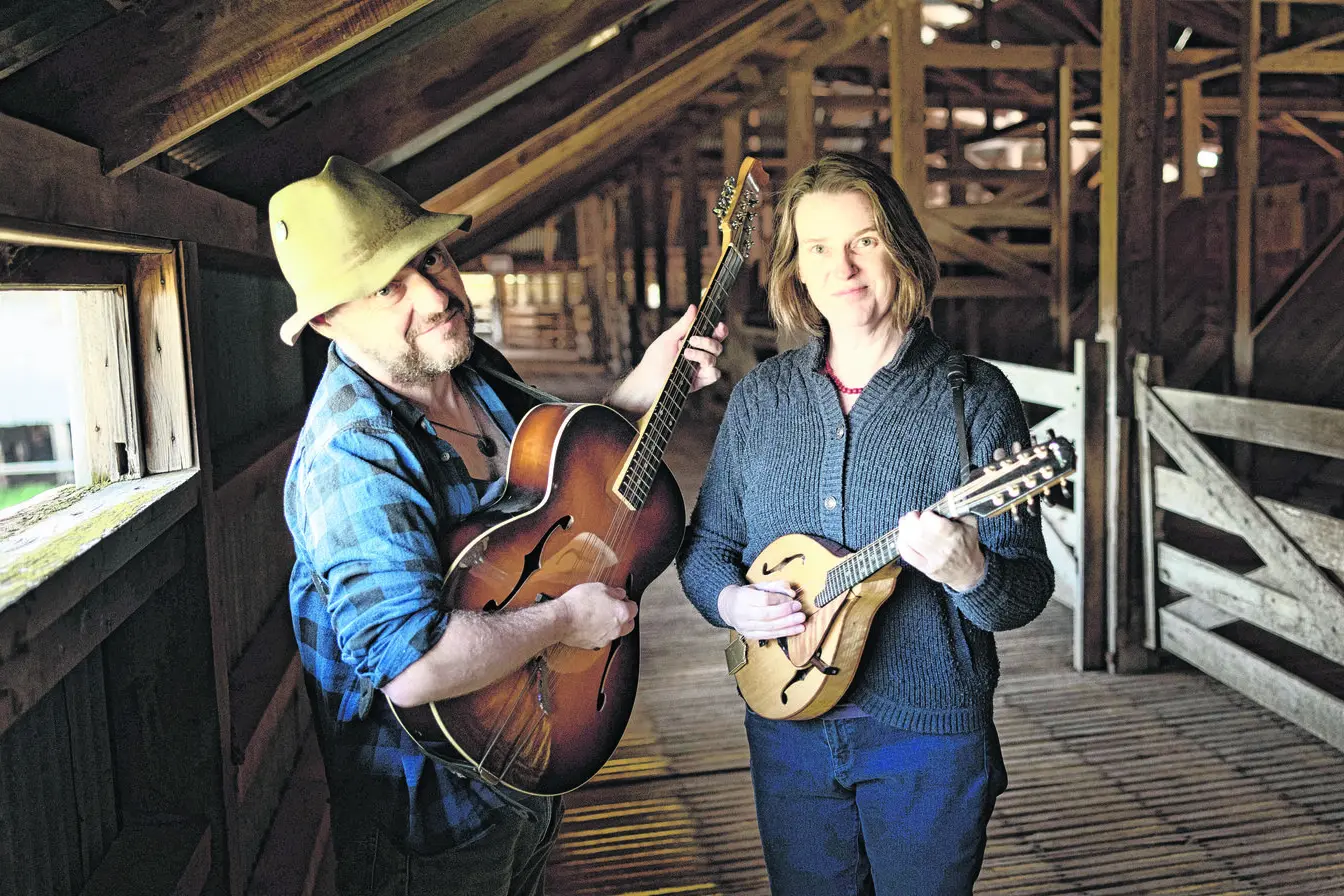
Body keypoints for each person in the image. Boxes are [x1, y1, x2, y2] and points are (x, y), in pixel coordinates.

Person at [270, 156, 726, 896]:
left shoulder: (471, 367)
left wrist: (643, 386)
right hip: (434, 814)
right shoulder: (353, 456)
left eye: (431, 258)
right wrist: (565, 619)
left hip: (530, 751)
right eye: (388, 286)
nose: (435, 294)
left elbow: (541, 495)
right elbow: (411, 668)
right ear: (328, 320)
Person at [676, 152, 1054, 896]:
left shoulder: (974, 397)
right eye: (818, 247)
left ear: (901, 249)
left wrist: (968, 573)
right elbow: (707, 549)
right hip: (785, 721)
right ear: (796, 269)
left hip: (928, 735)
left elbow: (1026, 589)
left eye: (864, 240)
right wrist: (731, 602)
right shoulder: (762, 399)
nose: (842, 266)